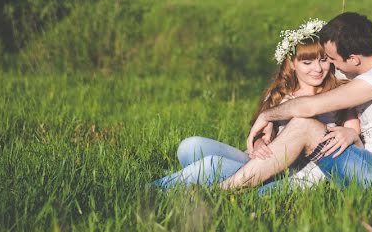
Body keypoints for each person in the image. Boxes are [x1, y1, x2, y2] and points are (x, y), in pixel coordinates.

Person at [221, 12, 372, 190]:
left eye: (331, 59)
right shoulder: (364, 65)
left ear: (353, 59)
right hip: (364, 161)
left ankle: (224, 190)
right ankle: (234, 181)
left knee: (304, 125)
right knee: (264, 193)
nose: (329, 66)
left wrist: (266, 116)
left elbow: (309, 107)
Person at [152, 18, 360, 190]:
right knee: (190, 145)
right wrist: (260, 144)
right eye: (307, 62)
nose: (317, 69)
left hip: (290, 173)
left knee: (211, 165)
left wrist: (350, 133)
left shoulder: (338, 94)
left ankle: (152, 192)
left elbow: (353, 135)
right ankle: (190, 184)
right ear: (292, 63)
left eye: (323, 60)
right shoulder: (281, 94)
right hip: (262, 162)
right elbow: (260, 138)